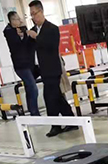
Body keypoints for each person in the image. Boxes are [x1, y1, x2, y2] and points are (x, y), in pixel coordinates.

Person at [28, 1, 77, 137]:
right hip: (41, 69)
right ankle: (71, 121)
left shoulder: (52, 28)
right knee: (56, 97)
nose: (33, 17)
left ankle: (56, 126)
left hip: (52, 69)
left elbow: (50, 46)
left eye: (35, 13)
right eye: (31, 15)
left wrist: (36, 37)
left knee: (49, 97)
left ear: (41, 11)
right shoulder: (33, 30)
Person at [3, 11, 40, 116]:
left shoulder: (20, 30)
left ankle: (33, 112)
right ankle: (35, 113)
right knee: (33, 88)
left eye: (20, 19)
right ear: (12, 21)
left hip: (29, 64)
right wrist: (24, 35)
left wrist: (24, 32)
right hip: (21, 65)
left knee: (29, 88)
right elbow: (19, 46)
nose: (20, 21)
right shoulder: (9, 32)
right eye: (17, 19)